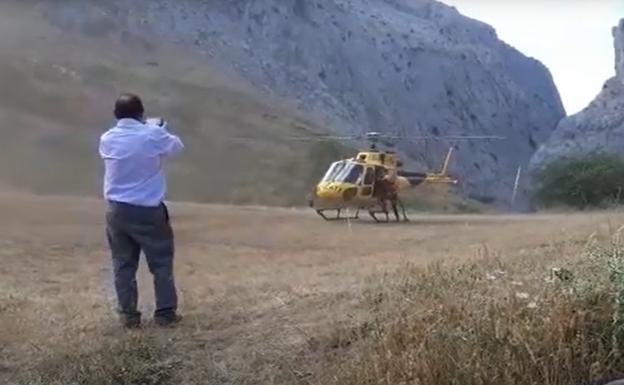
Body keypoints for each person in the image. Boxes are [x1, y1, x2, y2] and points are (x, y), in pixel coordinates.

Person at [99, 93, 184, 328]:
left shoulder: (106, 138)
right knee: (161, 262)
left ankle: (128, 315)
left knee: (123, 264)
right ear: (141, 113)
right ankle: (165, 313)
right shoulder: (152, 134)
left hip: (116, 210)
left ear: (115, 115)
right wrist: (159, 129)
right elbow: (176, 146)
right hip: (147, 209)